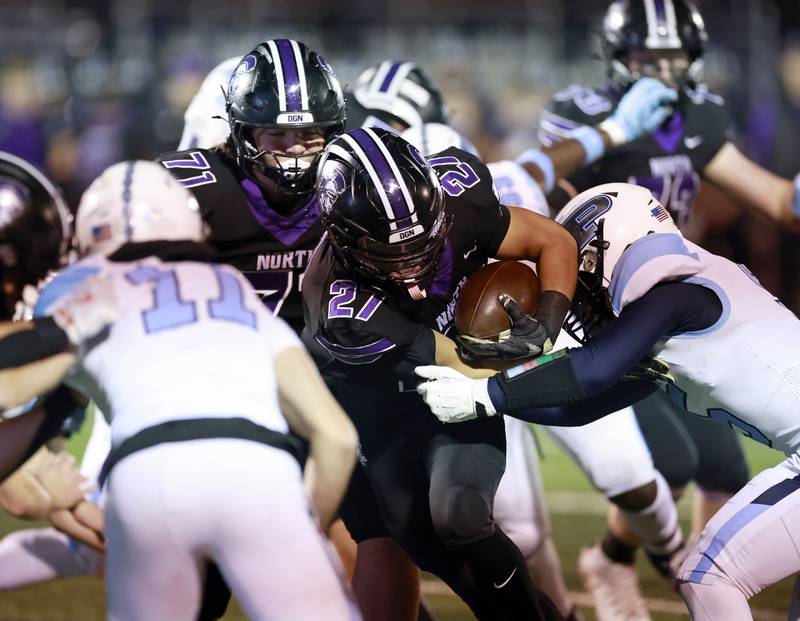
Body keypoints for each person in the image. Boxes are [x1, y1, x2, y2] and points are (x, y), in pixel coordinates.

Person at [415, 180, 800, 621]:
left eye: (582, 270)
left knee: (708, 575)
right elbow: (578, 406)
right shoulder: (678, 310)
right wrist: (486, 385)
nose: (578, 295)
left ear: (609, 249)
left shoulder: (677, 294)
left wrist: (484, 394)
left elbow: (592, 370)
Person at [5, 160, 360, 621]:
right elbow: (338, 438)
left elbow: (12, 388)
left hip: (148, 474)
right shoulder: (234, 287)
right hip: (260, 473)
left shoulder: (77, 287)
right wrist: (294, 527)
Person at [534, 1, 800, 615]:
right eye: (647, 58)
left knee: (723, 469)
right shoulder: (586, 114)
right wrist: (612, 135)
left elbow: (780, 202)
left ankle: (686, 578)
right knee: (667, 457)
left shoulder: (698, 117)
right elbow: (551, 204)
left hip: (681, 308)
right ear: (616, 58)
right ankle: (642, 566)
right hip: (607, 308)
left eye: (674, 58)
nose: (662, 70)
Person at [403, 120, 684, 621]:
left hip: (552, 333)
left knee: (628, 475)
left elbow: (556, 188)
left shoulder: (499, 184)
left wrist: (617, 128)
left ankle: (671, 553)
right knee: (520, 529)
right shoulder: (401, 234)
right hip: (470, 357)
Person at [303, 125, 579, 620]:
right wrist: (547, 367)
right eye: (391, 257)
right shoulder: (340, 308)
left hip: (454, 396)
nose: (412, 273)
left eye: (422, 247)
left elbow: (553, 240)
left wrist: (549, 324)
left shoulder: (460, 195)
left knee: (461, 515)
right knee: (445, 559)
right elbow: (460, 362)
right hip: (385, 419)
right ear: (344, 240)